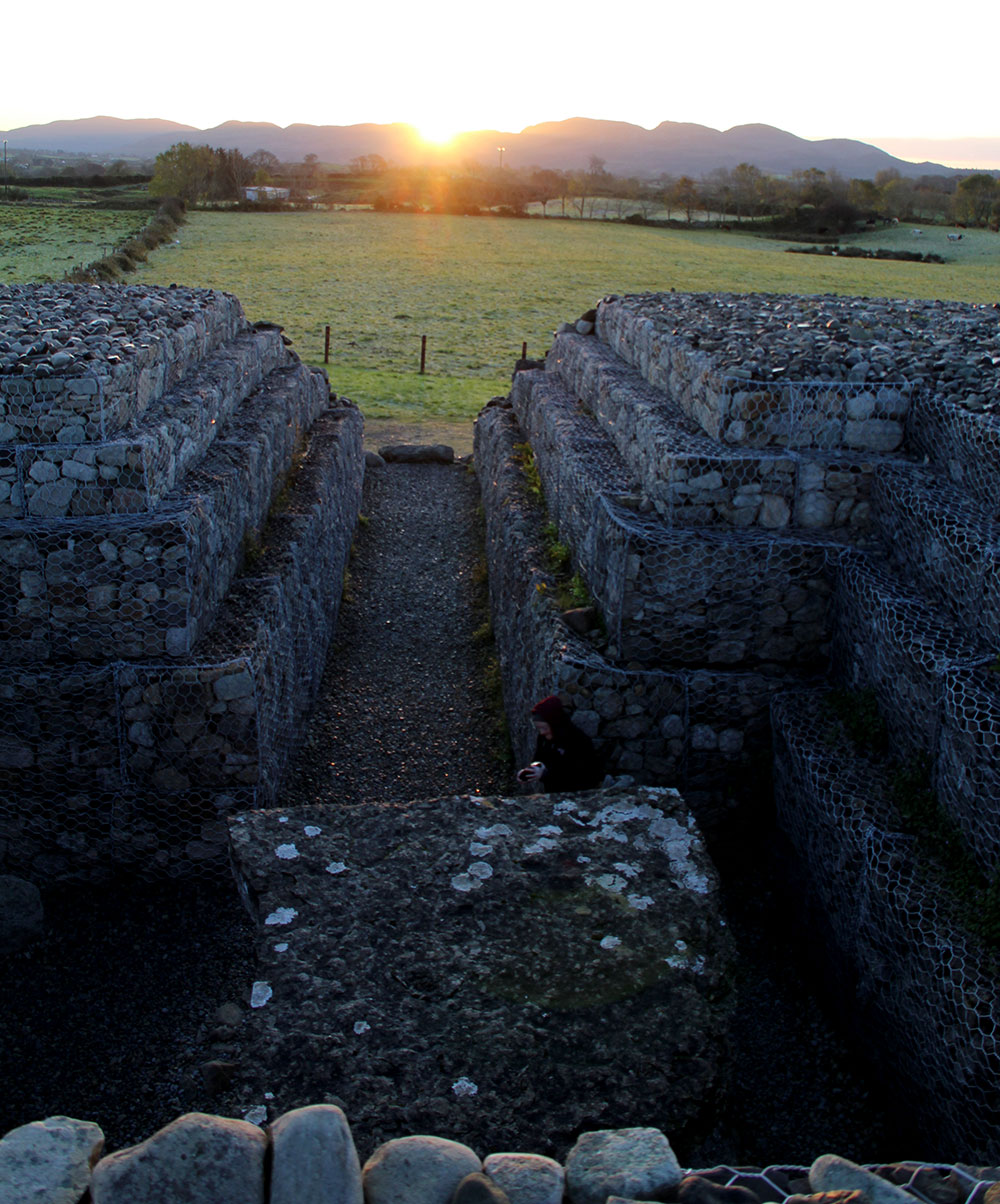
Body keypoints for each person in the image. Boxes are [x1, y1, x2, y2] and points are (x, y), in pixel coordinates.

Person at [516, 695, 604, 792]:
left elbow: (578, 774)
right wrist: (531, 771)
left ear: (554, 724)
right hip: (553, 793)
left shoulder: (577, 741)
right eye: (539, 728)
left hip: (577, 794)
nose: (541, 732)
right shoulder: (544, 738)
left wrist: (545, 774)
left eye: (544, 728)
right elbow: (539, 758)